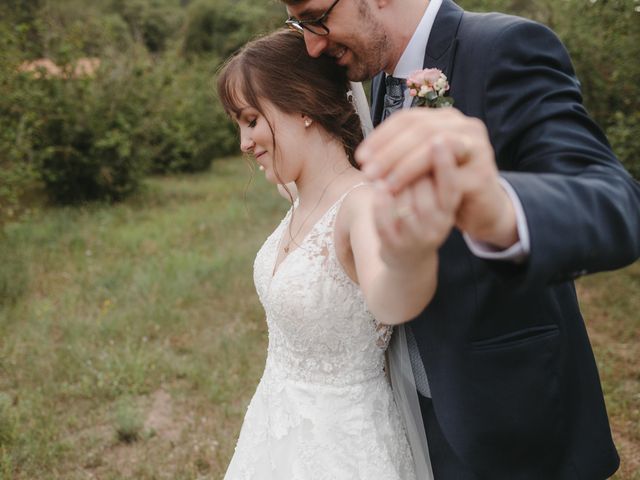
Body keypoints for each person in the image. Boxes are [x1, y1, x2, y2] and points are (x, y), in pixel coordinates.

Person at [282, 0, 640, 478]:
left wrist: (497, 208)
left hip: (512, 419)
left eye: (315, 17)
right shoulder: (378, 80)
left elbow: (617, 201)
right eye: (298, 25)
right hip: (418, 420)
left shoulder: (503, 48)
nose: (312, 43)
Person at [217, 29, 458, 479]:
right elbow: (307, 182)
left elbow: (390, 297)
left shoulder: (361, 208)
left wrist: (415, 257)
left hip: (344, 446)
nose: (244, 143)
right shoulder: (302, 195)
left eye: (251, 120)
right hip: (275, 427)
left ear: (302, 107)